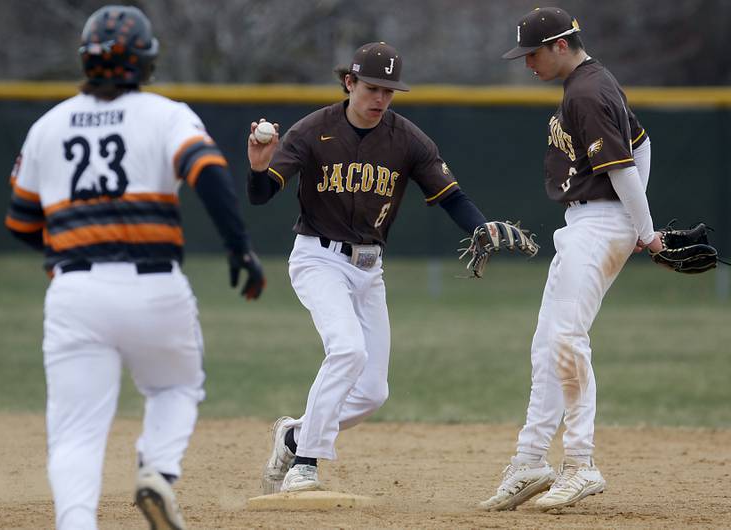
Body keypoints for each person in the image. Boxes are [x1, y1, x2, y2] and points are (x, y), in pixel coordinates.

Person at [4, 5, 265, 529]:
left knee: (76, 429)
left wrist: (67, 257)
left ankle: (76, 523)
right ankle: (158, 473)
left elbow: (21, 222)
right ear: (146, 61)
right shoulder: (165, 114)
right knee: (176, 387)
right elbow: (208, 171)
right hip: (154, 286)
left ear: (85, 59)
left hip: (75, 290)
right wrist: (239, 246)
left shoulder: (47, 126)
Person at [248, 42, 503, 494]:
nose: (380, 98)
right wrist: (258, 168)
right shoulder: (313, 130)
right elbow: (261, 194)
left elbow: (451, 196)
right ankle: (305, 464)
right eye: (372, 87)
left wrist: (480, 227)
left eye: (389, 90)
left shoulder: (407, 138)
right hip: (318, 257)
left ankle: (292, 437)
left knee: (372, 392)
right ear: (349, 83)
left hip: (369, 268)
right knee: (347, 350)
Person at [479, 7, 664, 512]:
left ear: (561, 44)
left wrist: (641, 231)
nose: (527, 63)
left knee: (565, 339)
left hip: (602, 220)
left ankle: (581, 463)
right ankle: (531, 459)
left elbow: (625, 168)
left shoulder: (587, 90)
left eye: (532, 53)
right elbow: (643, 145)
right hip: (589, 221)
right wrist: (637, 226)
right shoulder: (590, 84)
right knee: (546, 344)